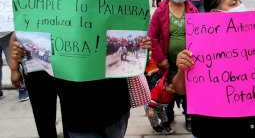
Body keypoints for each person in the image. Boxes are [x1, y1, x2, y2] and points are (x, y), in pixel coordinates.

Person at [173, 0, 255, 137]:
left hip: (249, 125)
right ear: (215, 13)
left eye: (240, 1)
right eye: (233, 4)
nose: (240, 6)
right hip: (210, 127)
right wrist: (181, 69)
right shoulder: (197, 46)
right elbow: (180, 90)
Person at [10, 33, 152, 138]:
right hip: (78, 118)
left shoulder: (112, 0)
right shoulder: (47, 12)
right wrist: (19, 57)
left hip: (115, 108)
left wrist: (142, 45)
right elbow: (41, 91)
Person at [148, 0, 198, 132]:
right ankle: (167, 115)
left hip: (188, 62)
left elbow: (200, 33)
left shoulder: (192, 9)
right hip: (166, 62)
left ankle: (189, 117)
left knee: (189, 90)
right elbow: (152, 36)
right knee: (167, 89)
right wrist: (160, 58)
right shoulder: (160, 11)